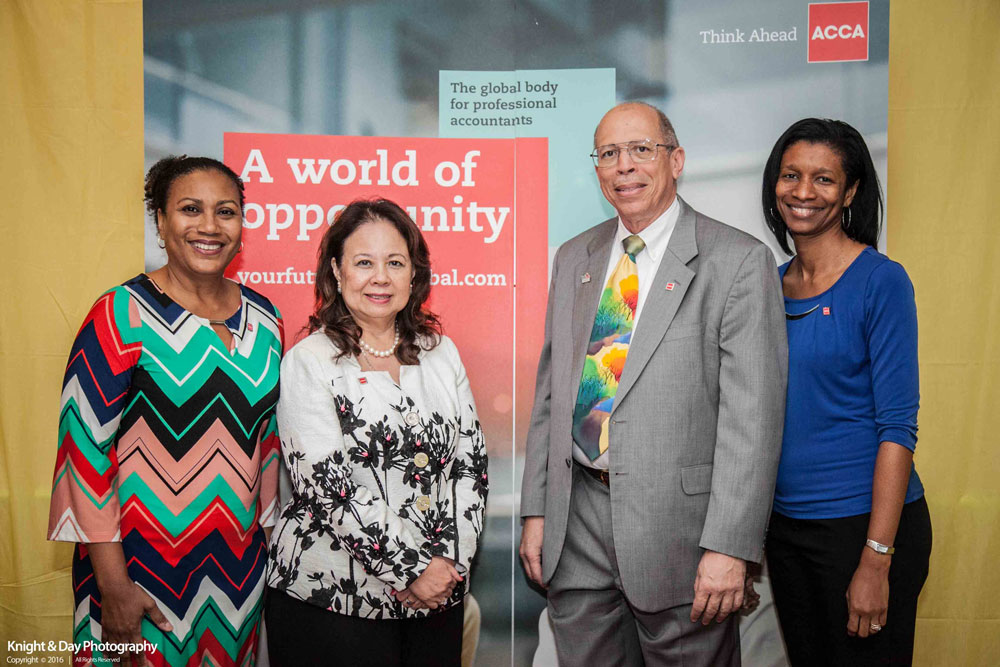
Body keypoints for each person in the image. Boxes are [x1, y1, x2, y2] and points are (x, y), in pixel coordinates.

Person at [518, 101, 788, 666]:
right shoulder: (574, 258)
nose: (624, 166)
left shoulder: (738, 261)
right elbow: (551, 397)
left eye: (641, 149)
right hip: (578, 524)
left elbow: (753, 422)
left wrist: (729, 547)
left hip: (682, 537)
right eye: (608, 153)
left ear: (676, 160)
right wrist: (537, 512)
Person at [48, 156, 283, 666]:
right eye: (190, 209)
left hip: (238, 575)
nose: (209, 226)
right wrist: (114, 588)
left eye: (225, 211)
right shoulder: (120, 313)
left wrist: (267, 553)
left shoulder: (267, 318)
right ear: (160, 220)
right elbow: (83, 452)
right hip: (138, 574)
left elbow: (265, 444)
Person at [265, 198, 488, 667]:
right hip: (332, 602)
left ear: (414, 273)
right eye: (364, 262)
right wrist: (412, 570)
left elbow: (471, 466)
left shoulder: (440, 353)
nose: (380, 277)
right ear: (337, 270)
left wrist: (448, 565)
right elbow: (329, 489)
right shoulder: (309, 361)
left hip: (437, 599)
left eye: (395, 263)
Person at [761, 118, 932, 666]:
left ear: (851, 191)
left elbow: (898, 429)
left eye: (824, 178)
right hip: (785, 531)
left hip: (863, 529)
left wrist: (877, 559)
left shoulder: (881, 281)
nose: (803, 191)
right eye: (791, 175)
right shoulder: (765, 287)